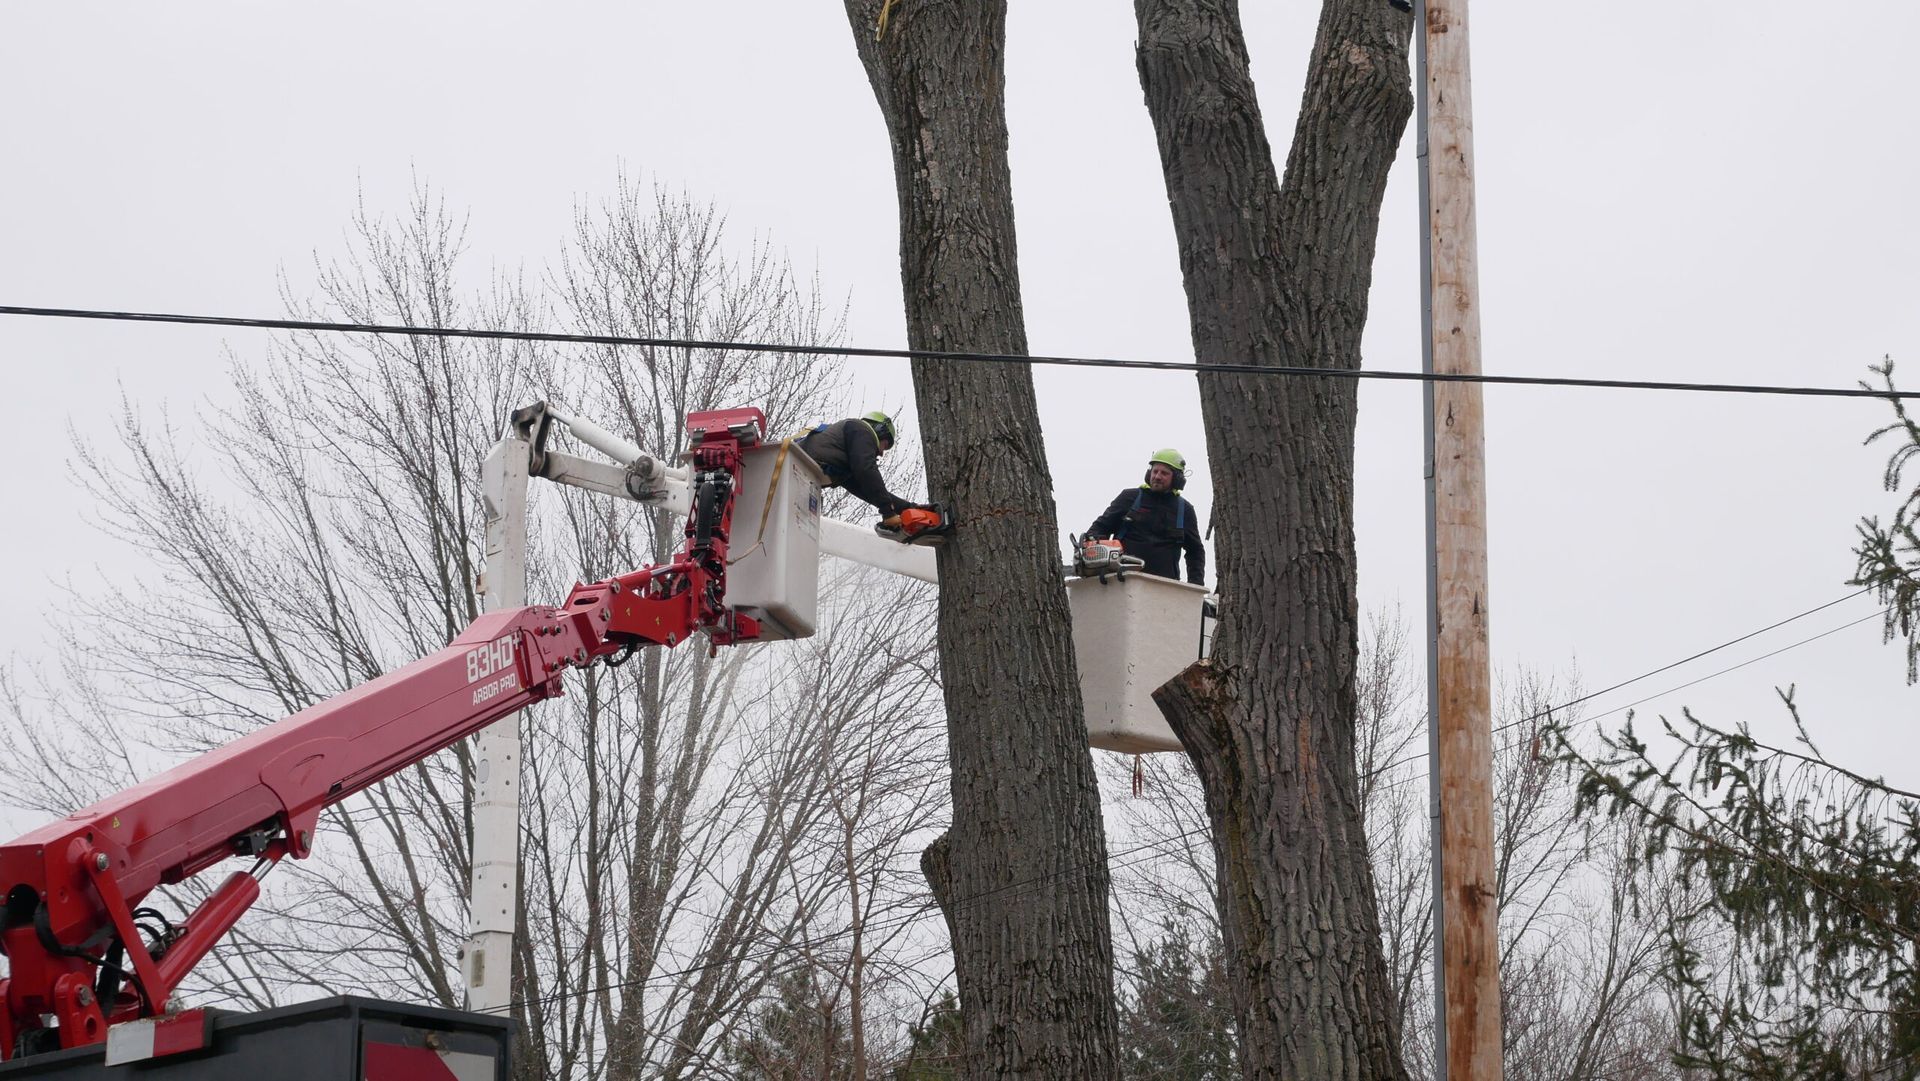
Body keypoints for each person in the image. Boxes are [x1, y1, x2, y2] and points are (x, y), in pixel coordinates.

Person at [1086, 448, 1205, 585]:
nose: (1157, 476)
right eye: (1155, 471)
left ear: (1177, 479)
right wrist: (1095, 558)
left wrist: (1195, 588)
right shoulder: (1129, 497)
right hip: (1121, 582)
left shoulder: (1185, 510)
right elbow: (1099, 528)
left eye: (1164, 473)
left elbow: (1195, 551)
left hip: (1165, 587)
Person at [797, 411, 918, 517]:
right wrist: (887, 510)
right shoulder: (861, 429)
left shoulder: (843, 461)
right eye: (884, 445)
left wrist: (909, 508)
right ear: (879, 430)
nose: (881, 453)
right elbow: (866, 470)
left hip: (794, 474)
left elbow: (866, 489)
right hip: (789, 468)